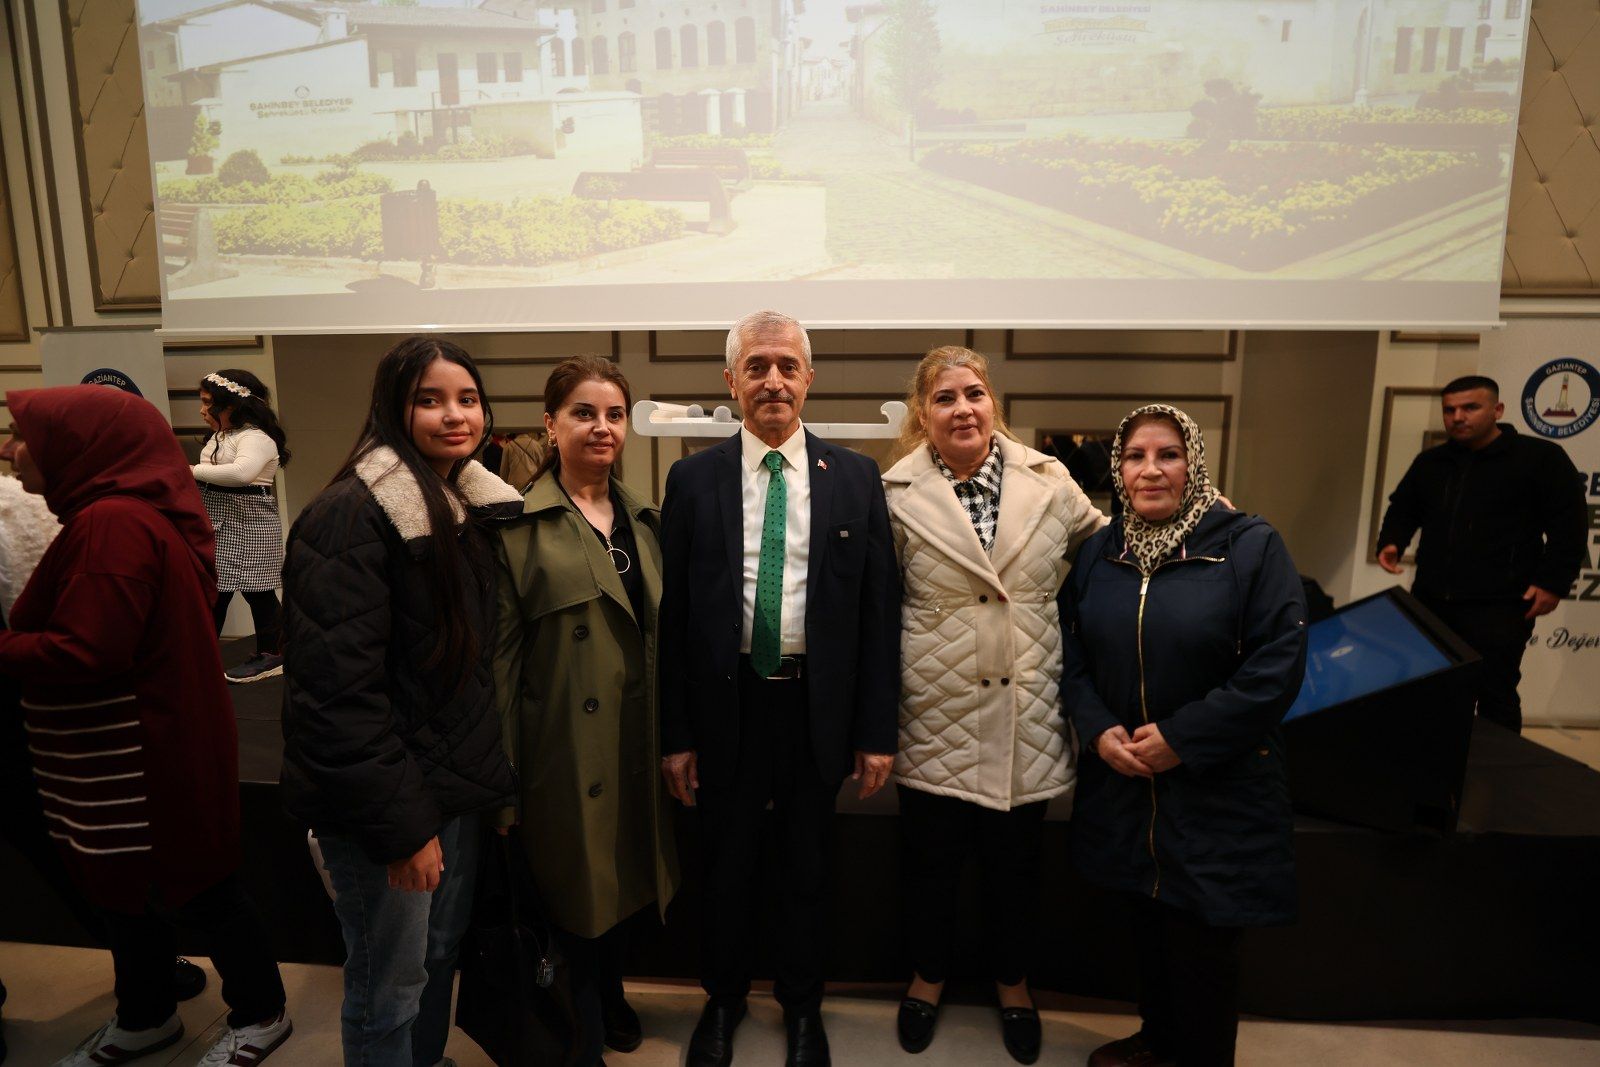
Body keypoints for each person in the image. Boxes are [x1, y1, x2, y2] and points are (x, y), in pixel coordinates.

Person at [0, 385, 292, 1067]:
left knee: (194, 889)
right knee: (131, 894)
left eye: (25, 435)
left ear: (81, 447)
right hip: (133, 749)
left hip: (139, 754)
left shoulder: (113, 524)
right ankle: (146, 1014)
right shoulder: (117, 515)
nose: (12, 449)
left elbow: (86, 650)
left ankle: (258, 1012)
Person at [657, 310, 901, 1067]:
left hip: (814, 708)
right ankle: (723, 1000)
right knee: (724, 866)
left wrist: (875, 732)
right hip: (725, 705)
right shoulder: (692, 478)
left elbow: (877, 614)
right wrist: (676, 735)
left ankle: (802, 1007)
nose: (772, 380)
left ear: (809, 379)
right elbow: (675, 620)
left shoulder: (855, 476)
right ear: (731, 380)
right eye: (756, 366)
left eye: (787, 366)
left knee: (808, 868)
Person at [280, 337, 522, 1066]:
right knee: (387, 986)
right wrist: (404, 829)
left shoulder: (462, 505)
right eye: (429, 399)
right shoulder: (349, 516)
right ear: (393, 407)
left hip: (445, 790)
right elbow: (336, 699)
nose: (455, 415)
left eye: (467, 399)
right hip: (385, 806)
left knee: (432, 960)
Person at [1060, 405, 1307, 1067]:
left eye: (1168, 454)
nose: (1150, 470)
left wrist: (1182, 737)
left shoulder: (1250, 545)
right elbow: (1070, 652)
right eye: (1135, 456)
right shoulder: (1100, 551)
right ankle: (1158, 1040)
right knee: (1146, 921)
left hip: (1216, 783)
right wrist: (1097, 728)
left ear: (1194, 463)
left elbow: (1277, 665)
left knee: (1203, 941)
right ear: (1118, 468)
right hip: (1125, 781)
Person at [882, 347, 1106, 1064]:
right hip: (934, 709)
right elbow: (873, 604)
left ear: (993, 403)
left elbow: (1108, 547)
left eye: (974, 394)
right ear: (922, 413)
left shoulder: (1050, 479)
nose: (963, 409)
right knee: (930, 866)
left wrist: (1202, 521)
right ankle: (927, 977)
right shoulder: (892, 494)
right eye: (944, 398)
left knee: (1016, 869)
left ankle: (1015, 985)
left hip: (1025, 707)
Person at [494, 355, 680, 1065]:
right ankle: (582, 1029)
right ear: (550, 424)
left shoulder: (647, 520)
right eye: (583, 413)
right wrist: (503, 783)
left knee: (624, 878)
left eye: (614, 414)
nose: (602, 427)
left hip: (637, 738)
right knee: (577, 889)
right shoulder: (517, 526)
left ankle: (610, 990)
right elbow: (501, 667)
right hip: (563, 747)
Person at [1375, 374, 1585, 734]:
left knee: (1495, 693)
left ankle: (1498, 766)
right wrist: (1392, 541)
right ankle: (1435, 762)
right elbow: (1404, 507)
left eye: (1470, 407)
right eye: (1449, 410)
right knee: (1429, 690)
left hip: (1501, 603)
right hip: (1433, 599)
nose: (1458, 417)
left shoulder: (1539, 458)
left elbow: (1569, 525)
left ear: (1497, 410)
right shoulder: (1431, 462)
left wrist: (1552, 583)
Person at [192, 370, 292, 684]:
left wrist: (189, 470)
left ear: (232, 404)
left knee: (257, 591)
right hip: (219, 518)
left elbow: (242, 473)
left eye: (208, 403)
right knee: (215, 591)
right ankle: (202, 657)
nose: (202, 411)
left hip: (250, 520)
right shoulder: (223, 435)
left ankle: (272, 655)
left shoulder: (256, 437)